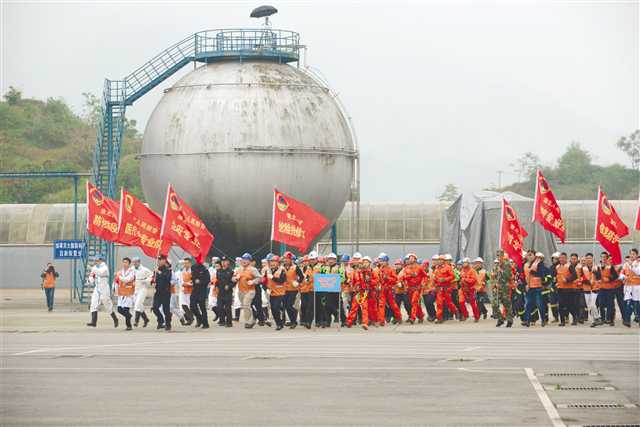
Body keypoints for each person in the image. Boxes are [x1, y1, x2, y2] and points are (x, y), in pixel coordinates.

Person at [86, 255, 119, 328]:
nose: (96, 262)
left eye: (97, 260)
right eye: (95, 260)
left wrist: (92, 269)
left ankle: (115, 318)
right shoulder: (94, 268)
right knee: (93, 303)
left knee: (107, 304)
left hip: (104, 288)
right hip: (97, 288)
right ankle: (93, 322)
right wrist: (90, 280)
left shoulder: (104, 267)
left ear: (101, 260)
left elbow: (100, 273)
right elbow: (92, 276)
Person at [232, 253, 262, 329]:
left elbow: (259, 278)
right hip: (241, 291)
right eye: (243, 259)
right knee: (245, 306)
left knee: (246, 305)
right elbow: (232, 278)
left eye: (246, 259)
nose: (244, 261)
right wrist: (235, 278)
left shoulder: (253, 269)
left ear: (249, 261)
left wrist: (253, 281)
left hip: (250, 290)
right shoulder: (239, 269)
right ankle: (252, 319)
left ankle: (248, 322)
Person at [345, 257, 374, 330]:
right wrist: (354, 287)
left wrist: (369, 280)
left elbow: (372, 281)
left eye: (362, 264)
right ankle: (349, 322)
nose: (360, 266)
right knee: (353, 308)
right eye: (359, 264)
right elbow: (352, 282)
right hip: (357, 293)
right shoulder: (355, 273)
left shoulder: (368, 272)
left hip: (364, 292)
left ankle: (365, 323)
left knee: (364, 308)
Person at [399, 253, 428, 324]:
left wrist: (423, 283)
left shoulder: (419, 267)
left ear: (415, 259)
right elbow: (403, 277)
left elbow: (425, 276)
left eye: (412, 258)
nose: (411, 259)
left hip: (417, 288)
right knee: (415, 304)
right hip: (409, 289)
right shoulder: (406, 268)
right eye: (410, 258)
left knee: (414, 302)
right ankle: (421, 316)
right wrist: (410, 276)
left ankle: (413, 317)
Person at [375, 253, 402, 325]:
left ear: (386, 261)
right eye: (380, 261)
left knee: (393, 305)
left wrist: (388, 278)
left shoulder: (391, 269)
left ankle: (399, 317)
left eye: (382, 261)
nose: (381, 262)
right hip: (382, 290)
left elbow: (395, 279)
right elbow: (378, 279)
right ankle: (381, 321)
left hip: (389, 290)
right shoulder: (380, 270)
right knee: (381, 305)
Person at [523, 251, 547, 327]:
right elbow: (524, 276)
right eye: (528, 255)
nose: (529, 256)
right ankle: (527, 320)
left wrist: (534, 272)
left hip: (537, 287)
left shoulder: (539, 263)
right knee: (528, 305)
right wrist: (525, 285)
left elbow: (542, 274)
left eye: (531, 255)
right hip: (529, 287)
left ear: (534, 256)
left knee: (539, 304)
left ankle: (543, 320)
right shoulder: (525, 265)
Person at [433, 255, 458, 324]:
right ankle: (439, 317)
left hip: (447, 288)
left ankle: (455, 311)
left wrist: (445, 279)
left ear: (443, 261)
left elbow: (453, 276)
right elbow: (435, 278)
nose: (439, 261)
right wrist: (435, 282)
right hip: (439, 289)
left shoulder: (448, 267)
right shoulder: (436, 268)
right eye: (438, 260)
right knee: (439, 303)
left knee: (449, 302)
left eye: (441, 260)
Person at [556, 252, 579, 326]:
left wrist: (567, 279)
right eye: (560, 258)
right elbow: (557, 277)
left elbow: (575, 276)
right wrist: (556, 282)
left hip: (569, 289)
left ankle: (575, 317)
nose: (561, 259)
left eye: (563, 258)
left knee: (570, 305)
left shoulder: (570, 266)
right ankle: (562, 321)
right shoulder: (557, 267)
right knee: (560, 305)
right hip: (560, 288)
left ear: (566, 258)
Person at [151, 255, 173, 331]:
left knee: (165, 309)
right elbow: (153, 279)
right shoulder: (156, 270)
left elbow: (167, 278)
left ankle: (168, 324)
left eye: (160, 260)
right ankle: (160, 320)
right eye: (158, 260)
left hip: (166, 292)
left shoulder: (168, 269)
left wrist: (159, 272)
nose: (158, 262)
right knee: (155, 308)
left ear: (164, 261)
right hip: (158, 292)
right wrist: (152, 282)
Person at [492, 252, 513, 327]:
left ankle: (510, 320)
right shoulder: (496, 266)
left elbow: (508, 277)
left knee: (506, 305)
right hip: (497, 288)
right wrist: (494, 286)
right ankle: (501, 318)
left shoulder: (507, 265)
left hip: (505, 288)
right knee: (494, 304)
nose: (499, 257)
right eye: (497, 256)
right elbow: (493, 277)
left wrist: (502, 271)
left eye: (500, 256)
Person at [265, 254, 287, 330]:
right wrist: (266, 288)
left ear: (278, 263)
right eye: (271, 261)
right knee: (273, 309)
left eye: (275, 261)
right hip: (272, 292)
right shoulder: (268, 270)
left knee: (276, 307)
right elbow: (264, 280)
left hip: (280, 293)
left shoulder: (282, 270)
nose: (273, 263)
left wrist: (273, 277)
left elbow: (281, 280)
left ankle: (280, 323)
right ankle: (278, 323)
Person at [114, 257, 135, 331]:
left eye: (126, 262)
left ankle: (129, 326)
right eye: (123, 262)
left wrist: (119, 276)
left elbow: (127, 280)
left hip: (129, 292)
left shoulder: (132, 271)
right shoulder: (120, 272)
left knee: (126, 309)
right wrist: (115, 290)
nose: (124, 263)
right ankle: (129, 316)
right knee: (119, 309)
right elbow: (116, 282)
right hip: (121, 292)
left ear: (129, 263)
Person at [621, 248, 640, 328]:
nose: (632, 255)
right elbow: (621, 274)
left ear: (636, 255)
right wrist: (624, 277)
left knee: (637, 304)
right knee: (628, 303)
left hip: (636, 286)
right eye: (631, 254)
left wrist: (632, 265)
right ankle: (627, 320)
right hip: (628, 286)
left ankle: (638, 318)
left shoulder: (638, 263)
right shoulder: (626, 264)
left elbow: (638, 272)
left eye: (633, 254)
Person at [132, 257, 152, 328]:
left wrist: (146, 280)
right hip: (135, 289)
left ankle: (136, 321)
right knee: (139, 305)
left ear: (139, 262)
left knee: (137, 304)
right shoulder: (132, 269)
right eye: (133, 262)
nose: (134, 263)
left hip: (143, 289)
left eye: (136, 262)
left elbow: (151, 276)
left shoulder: (145, 270)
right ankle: (146, 319)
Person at [459, 258, 481, 322]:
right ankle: (465, 315)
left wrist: (465, 280)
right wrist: (461, 281)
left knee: (473, 304)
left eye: (465, 262)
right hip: (463, 289)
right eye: (463, 263)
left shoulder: (472, 271)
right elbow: (460, 278)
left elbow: (474, 280)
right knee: (461, 302)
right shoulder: (462, 270)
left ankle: (476, 317)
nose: (464, 264)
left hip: (471, 289)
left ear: (468, 263)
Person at [190, 261, 211, 329]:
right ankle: (200, 319)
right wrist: (193, 281)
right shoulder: (193, 267)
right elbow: (192, 277)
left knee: (202, 307)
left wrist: (200, 281)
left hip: (202, 290)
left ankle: (205, 323)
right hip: (195, 290)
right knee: (192, 306)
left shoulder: (204, 269)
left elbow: (208, 280)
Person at [215, 257, 235, 327]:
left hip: (228, 292)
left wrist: (229, 286)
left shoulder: (231, 271)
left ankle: (229, 322)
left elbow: (234, 282)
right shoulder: (218, 271)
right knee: (219, 307)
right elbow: (217, 281)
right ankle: (222, 321)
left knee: (227, 308)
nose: (223, 263)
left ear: (228, 262)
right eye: (222, 261)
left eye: (225, 261)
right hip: (220, 292)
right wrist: (216, 287)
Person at [180, 258, 195, 326]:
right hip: (184, 290)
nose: (185, 264)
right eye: (184, 263)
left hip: (190, 291)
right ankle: (190, 318)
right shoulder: (182, 271)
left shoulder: (192, 271)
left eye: (186, 263)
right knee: (183, 305)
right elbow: (180, 281)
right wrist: (182, 285)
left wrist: (187, 284)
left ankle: (191, 319)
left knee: (190, 306)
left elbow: (193, 282)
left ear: (190, 263)